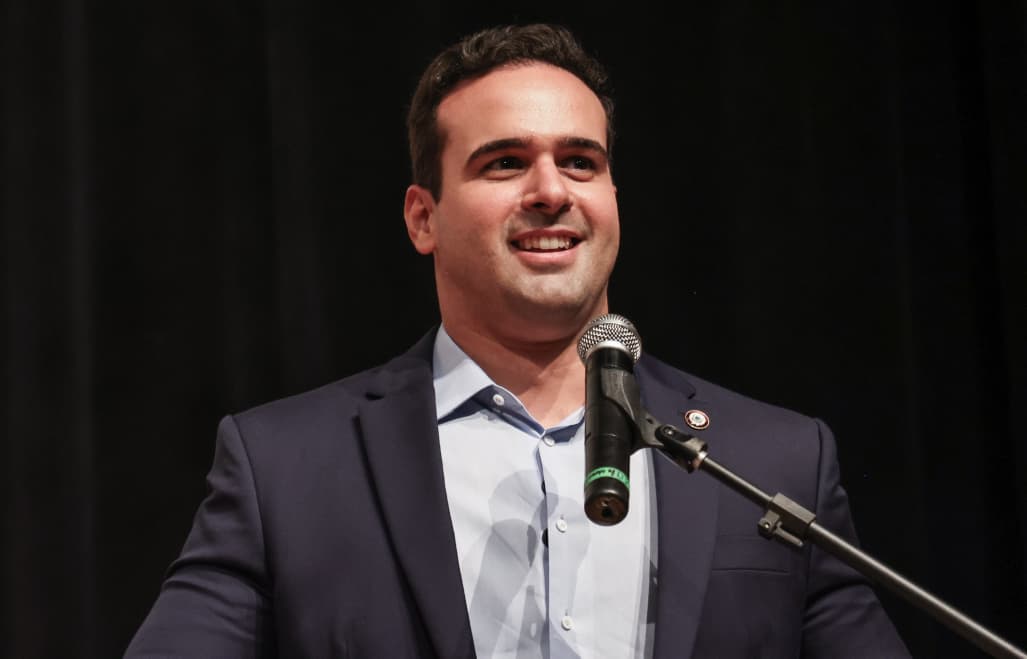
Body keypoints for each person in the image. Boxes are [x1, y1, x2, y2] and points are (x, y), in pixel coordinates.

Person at [126, 23, 909, 658]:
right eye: (504, 163)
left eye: (579, 162)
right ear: (422, 218)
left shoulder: (773, 462)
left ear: (612, 198)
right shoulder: (285, 468)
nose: (550, 190)